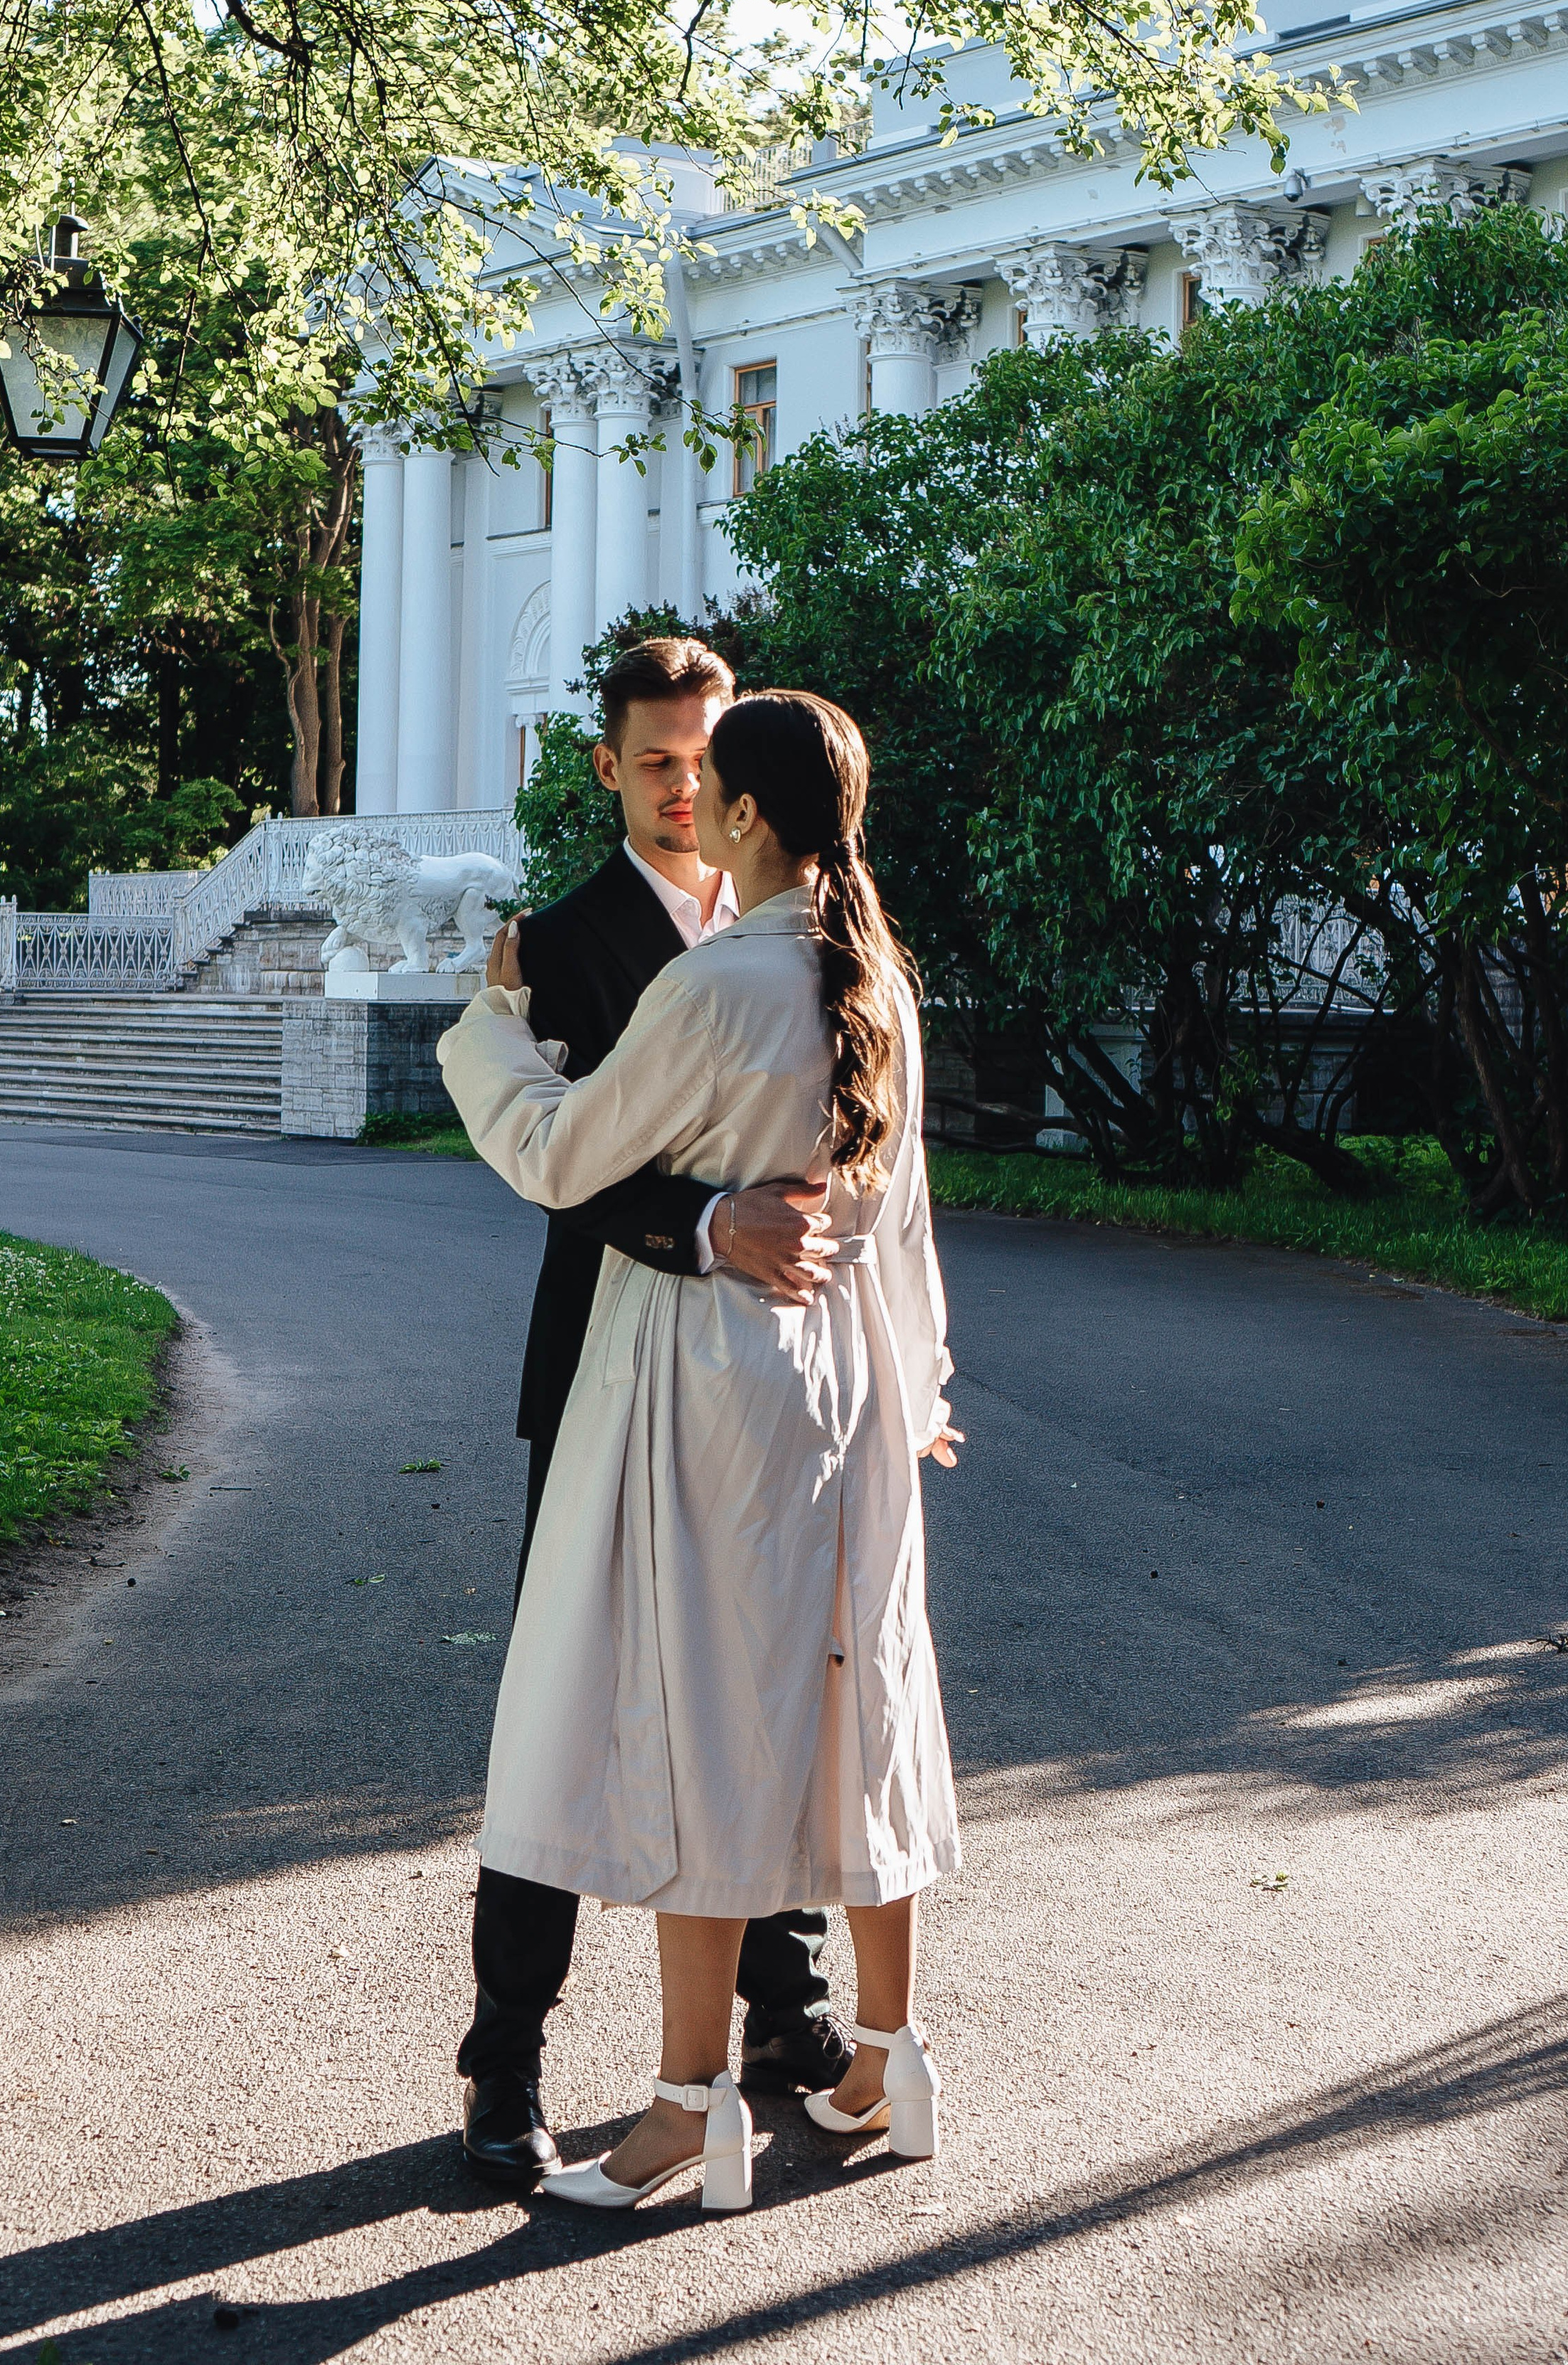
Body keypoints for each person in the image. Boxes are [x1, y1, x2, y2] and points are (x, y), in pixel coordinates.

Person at [439, 689, 961, 2212]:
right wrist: (920, 1375)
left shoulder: (722, 978)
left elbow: (553, 1151)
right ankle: (888, 2054)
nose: (685, 799)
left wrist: (488, 1031)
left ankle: (688, 2108)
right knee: (857, 1695)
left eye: (705, 778)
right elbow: (907, 1215)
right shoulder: (875, 973)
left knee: (702, 1717)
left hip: (708, 1382)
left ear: (743, 813)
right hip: (855, 1372)